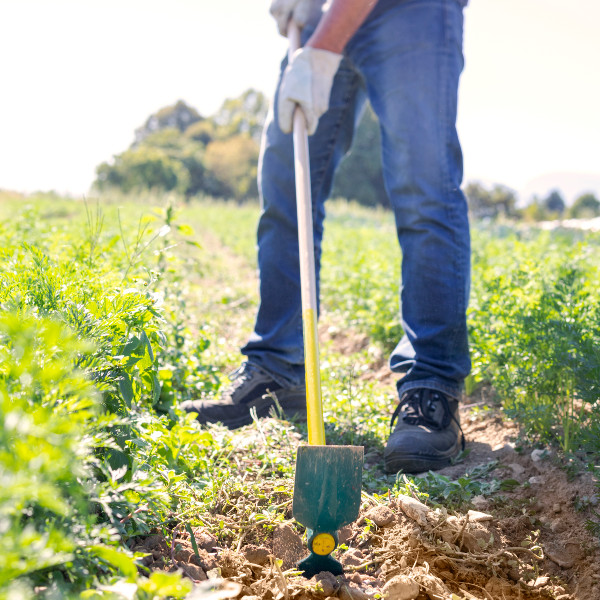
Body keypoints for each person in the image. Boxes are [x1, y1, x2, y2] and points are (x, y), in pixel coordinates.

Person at [182, 0, 471, 474]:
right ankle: (277, 367)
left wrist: (322, 47)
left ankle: (431, 386)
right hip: (322, 15)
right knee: (286, 180)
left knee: (424, 190)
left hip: (412, 11)